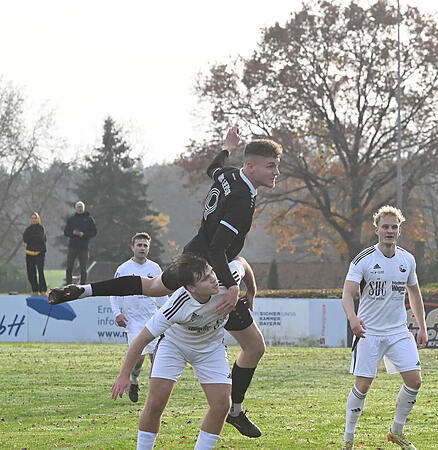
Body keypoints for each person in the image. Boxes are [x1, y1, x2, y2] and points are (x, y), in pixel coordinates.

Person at [50, 126, 278, 438]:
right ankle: (234, 411)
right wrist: (235, 286)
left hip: (191, 256)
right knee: (254, 347)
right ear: (251, 166)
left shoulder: (230, 175)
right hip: (211, 274)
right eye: (271, 165)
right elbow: (219, 250)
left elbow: (213, 169)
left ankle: (85, 289)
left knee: (152, 286)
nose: (276, 171)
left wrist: (226, 146)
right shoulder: (241, 198)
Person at [111, 253, 256, 450]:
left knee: (222, 405)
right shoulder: (176, 305)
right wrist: (124, 375)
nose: (213, 278)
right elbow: (141, 339)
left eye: (211, 272)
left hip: (210, 348)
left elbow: (242, 263)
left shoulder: (225, 281)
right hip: (174, 347)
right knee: (155, 404)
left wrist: (251, 291)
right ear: (190, 288)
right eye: (205, 278)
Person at [340, 205, 428, 450]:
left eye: (394, 227)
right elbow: (347, 294)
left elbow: (414, 293)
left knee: (415, 380)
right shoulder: (364, 259)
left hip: (399, 331)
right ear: (376, 229)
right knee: (363, 384)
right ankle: (348, 438)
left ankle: (396, 432)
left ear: (400, 231)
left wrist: (422, 326)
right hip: (370, 332)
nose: (390, 231)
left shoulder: (407, 260)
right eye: (386, 227)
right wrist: (352, 318)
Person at [110, 232, 168, 403]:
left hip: (152, 319)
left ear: (148, 248)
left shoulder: (155, 268)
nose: (142, 248)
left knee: (156, 358)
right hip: (133, 320)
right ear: (132, 247)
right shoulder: (123, 269)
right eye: (139, 245)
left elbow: (162, 293)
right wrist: (117, 313)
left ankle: (154, 395)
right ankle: (134, 380)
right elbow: (113, 294)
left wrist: (168, 313)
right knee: (138, 359)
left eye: (145, 245)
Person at [63, 201, 97, 284]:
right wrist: (73, 233)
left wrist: (84, 234)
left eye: (81, 207)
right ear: (75, 208)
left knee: (83, 268)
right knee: (69, 267)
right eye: (78, 207)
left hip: (84, 247)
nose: (79, 208)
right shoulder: (71, 219)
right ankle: (68, 285)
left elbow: (94, 232)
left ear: (84, 208)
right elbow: (66, 232)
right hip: (72, 246)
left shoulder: (89, 219)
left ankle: (82, 286)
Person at [23, 212, 47, 295]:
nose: (33, 220)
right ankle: (35, 290)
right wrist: (33, 238)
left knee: (40, 272)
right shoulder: (28, 229)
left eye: (35, 218)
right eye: (32, 218)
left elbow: (40, 238)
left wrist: (31, 238)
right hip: (29, 253)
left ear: (38, 219)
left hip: (40, 252)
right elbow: (25, 239)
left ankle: (43, 290)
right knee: (31, 273)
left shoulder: (41, 228)